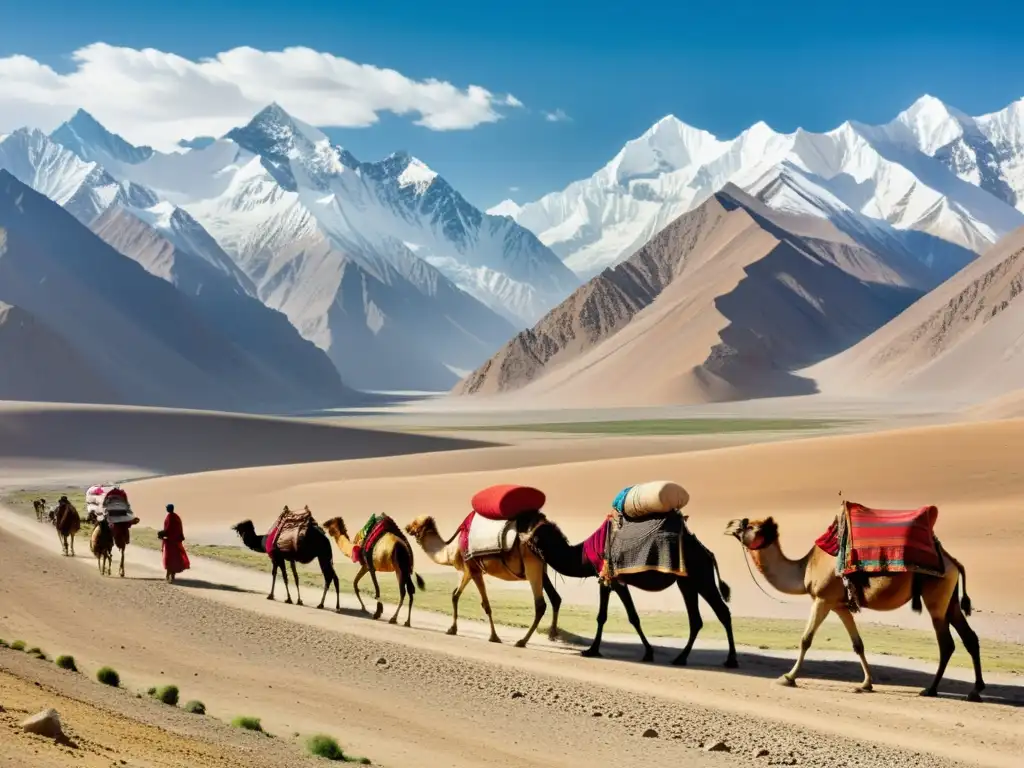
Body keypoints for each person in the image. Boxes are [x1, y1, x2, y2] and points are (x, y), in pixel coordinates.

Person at [158, 503, 190, 583]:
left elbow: (168, 529)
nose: (167, 509)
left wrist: (161, 534)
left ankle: (169, 575)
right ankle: (172, 575)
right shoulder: (176, 517)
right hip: (175, 541)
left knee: (169, 558)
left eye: (167, 508)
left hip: (170, 542)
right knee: (175, 558)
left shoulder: (170, 517)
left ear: (169, 509)